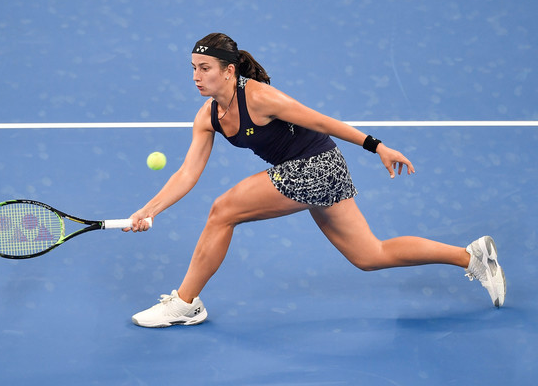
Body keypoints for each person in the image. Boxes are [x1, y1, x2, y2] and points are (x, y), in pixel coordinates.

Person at [124, 33, 506, 328]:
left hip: (317, 166)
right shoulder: (207, 117)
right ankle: (472, 257)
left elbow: (322, 122)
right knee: (370, 256)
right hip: (314, 173)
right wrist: (148, 210)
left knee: (223, 210)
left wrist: (378, 146)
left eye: (204, 68)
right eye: (193, 67)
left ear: (229, 70)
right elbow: (187, 172)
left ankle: (186, 303)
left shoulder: (258, 97)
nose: (196, 77)